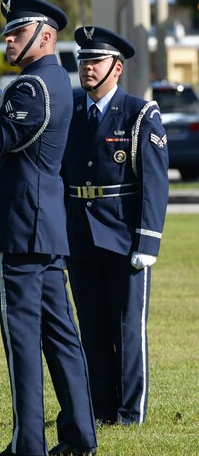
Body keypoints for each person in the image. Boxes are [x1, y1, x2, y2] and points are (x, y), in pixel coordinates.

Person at [0, 0, 97, 456]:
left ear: (44, 36)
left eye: (17, 31)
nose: (7, 39)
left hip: (20, 228)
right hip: (45, 227)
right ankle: (79, 434)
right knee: (61, 336)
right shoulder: (51, 82)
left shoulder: (30, 87)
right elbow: (13, 139)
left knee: (23, 339)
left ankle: (28, 445)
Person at [62, 26, 169, 426]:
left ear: (117, 67)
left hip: (124, 237)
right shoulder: (71, 110)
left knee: (126, 328)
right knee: (92, 326)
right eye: (83, 60)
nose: (87, 68)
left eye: (96, 60)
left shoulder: (141, 114)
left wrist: (148, 241)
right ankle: (101, 408)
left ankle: (129, 412)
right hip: (80, 235)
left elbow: (155, 183)